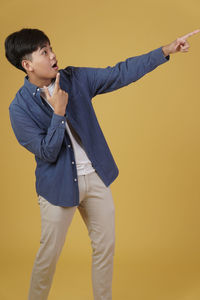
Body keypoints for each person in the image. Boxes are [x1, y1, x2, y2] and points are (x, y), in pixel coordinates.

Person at [5, 28, 199, 300]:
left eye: (51, 48)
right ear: (27, 65)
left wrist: (165, 51)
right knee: (48, 257)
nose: (53, 55)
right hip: (58, 187)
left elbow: (120, 72)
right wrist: (58, 113)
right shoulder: (19, 108)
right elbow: (47, 153)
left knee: (105, 249)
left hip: (95, 178)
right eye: (44, 52)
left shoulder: (75, 78)